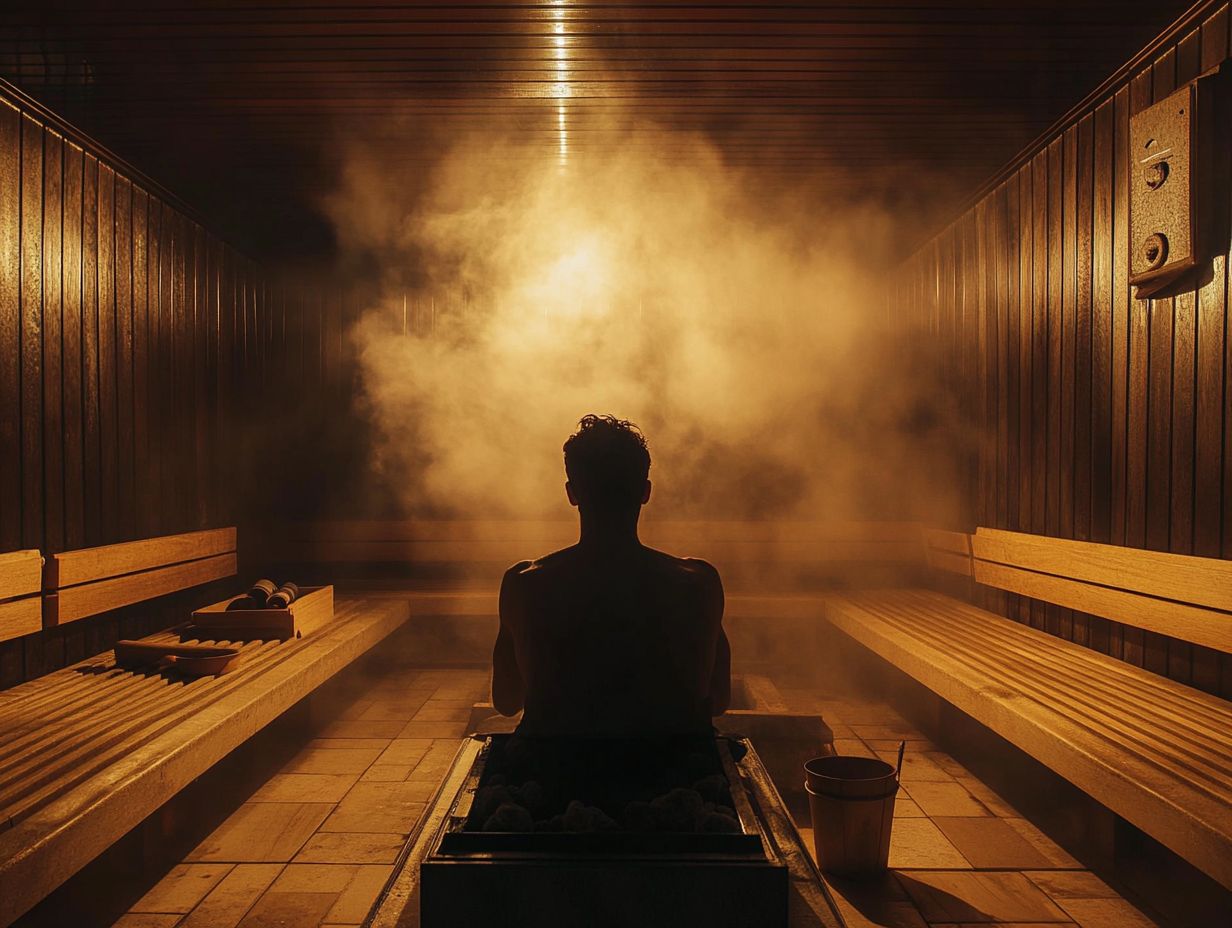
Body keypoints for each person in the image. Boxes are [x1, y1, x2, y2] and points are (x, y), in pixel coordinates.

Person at [491, 414, 730, 736]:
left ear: (572, 493)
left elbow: (506, 702)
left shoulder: (526, 584)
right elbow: (717, 701)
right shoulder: (698, 582)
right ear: (645, 492)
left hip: (554, 774)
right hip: (677, 775)